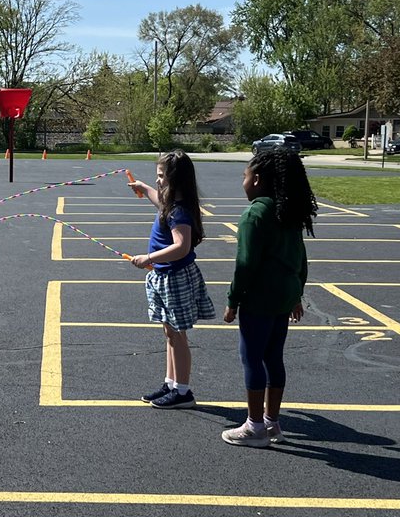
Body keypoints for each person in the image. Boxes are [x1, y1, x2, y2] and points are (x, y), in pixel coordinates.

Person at [221, 148, 317, 448]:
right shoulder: (286, 210)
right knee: (274, 357)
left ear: (258, 179)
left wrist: (233, 300)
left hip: (259, 299)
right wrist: (297, 295)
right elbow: (300, 260)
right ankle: (273, 421)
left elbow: (246, 264)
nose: (243, 181)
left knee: (251, 357)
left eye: (245, 176)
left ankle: (254, 427)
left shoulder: (255, 214)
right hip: (284, 297)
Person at [128, 150, 216, 409]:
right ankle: (171, 383)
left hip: (174, 278)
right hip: (164, 275)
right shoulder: (172, 205)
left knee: (177, 335)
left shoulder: (179, 212)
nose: (158, 181)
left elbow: (182, 246)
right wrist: (143, 188)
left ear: (175, 180)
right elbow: (160, 203)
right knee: (169, 332)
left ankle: (183, 391)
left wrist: (149, 257)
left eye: (161, 177)